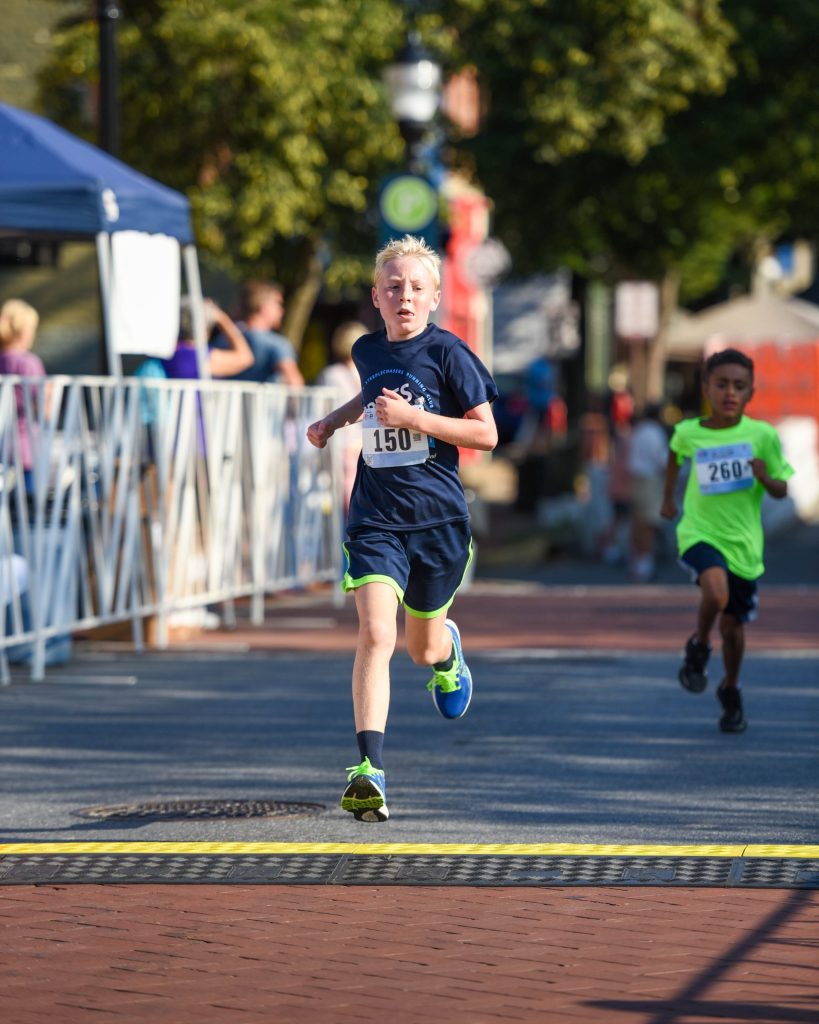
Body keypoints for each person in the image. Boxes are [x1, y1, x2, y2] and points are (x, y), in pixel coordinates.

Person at [306, 235, 498, 822]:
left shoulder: (450, 353)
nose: (405, 297)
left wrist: (416, 418)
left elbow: (486, 434)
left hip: (437, 520)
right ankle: (370, 769)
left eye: (417, 288)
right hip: (375, 518)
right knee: (375, 634)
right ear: (376, 297)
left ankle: (446, 655)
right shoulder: (366, 349)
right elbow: (372, 397)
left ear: (435, 298)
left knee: (420, 649)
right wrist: (334, 421)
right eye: (393, 288)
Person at [661, 348, 794, 733]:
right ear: (706, 388)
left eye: (739, 386)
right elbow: (675, 454)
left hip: (744, 545)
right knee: (716, 593)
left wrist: (764, 477)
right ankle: (700, 645)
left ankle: (730, 689)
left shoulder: (762, 436)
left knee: (734, 628)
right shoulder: (689, 432)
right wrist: (668, 498)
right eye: (721, 384)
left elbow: (782, 489)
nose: (730, 393)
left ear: (751, 392)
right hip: (699, 533)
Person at [313, 321, 366, 518]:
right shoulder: (367, 372)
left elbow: (322, 409)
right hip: (363, 440)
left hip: (342, 441)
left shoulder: (331, 374)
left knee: (344, 495)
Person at [0, 299, 47, 492]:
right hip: (24, 445)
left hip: (3, 442)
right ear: (23, 331)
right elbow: (43, 404)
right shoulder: (29, 363)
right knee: (28, 501)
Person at [223, 280, 304, 386]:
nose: (281, 311)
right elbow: (294, 382)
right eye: (278, 304)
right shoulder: (278, 344)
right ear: (264, 307)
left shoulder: (223, 340)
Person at [160, 298, 253, 380]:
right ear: (205, 331)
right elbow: (245, 358)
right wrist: (221, 317)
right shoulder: (197, 357)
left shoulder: (168, 352)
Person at [627, 403, 668, 582]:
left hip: (636, 478)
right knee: (649, 523)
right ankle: (645, 563)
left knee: (639, 522)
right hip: (650, 479)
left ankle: (638, 562)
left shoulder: (638, 431)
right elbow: (661, 459)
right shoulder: (654, 432)